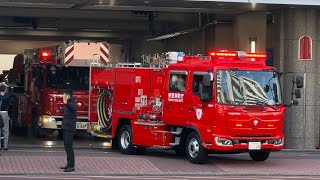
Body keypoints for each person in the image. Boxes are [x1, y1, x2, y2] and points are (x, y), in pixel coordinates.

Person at [60, 89, 77, 172]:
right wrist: (61, 110)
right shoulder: (68, 104)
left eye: (64, 95)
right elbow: (66, 110)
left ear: (68, 96)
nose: (63, 97)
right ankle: (68, 163)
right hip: (66, 127)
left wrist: (66, 103)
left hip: (70, 128)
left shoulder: (72, 103)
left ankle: (71, 166)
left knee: (69, 147)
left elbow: (71, 107)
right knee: (66, 146)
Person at [0, 81, 13, 151]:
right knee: (5, 130)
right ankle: (5, 146)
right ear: (5, 90)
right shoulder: (7, 97)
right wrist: (7, 86)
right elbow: (11, 91)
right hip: (4, 113)